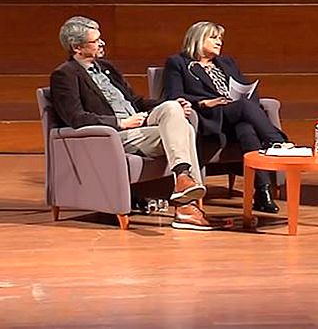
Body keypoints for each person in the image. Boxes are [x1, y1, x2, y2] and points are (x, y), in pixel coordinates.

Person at [50, 16, 211, 230]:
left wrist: (171, 103)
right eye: (95, 41)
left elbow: (136, 101)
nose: (101, 44)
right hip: (114, 135)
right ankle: (185, 206)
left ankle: (183, 181)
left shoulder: (107, 68)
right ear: (77, 47)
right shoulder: (65, 75)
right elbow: (76, 117)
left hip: (140, 124)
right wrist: (121, 123)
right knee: (186, 131)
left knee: (173, 109)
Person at [163, 21, 288, 214]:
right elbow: (173, 96)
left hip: (234, 115)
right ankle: (277, 142)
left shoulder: (227, 63)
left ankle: (263, 193)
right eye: (213, 38)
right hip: (209, 117)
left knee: (246, 128)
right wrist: (204, 102)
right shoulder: (178, 63)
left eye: (220, 38)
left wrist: (245, 101)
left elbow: (247, 88)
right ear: (197, 39)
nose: (219, 42)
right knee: (244, 107)